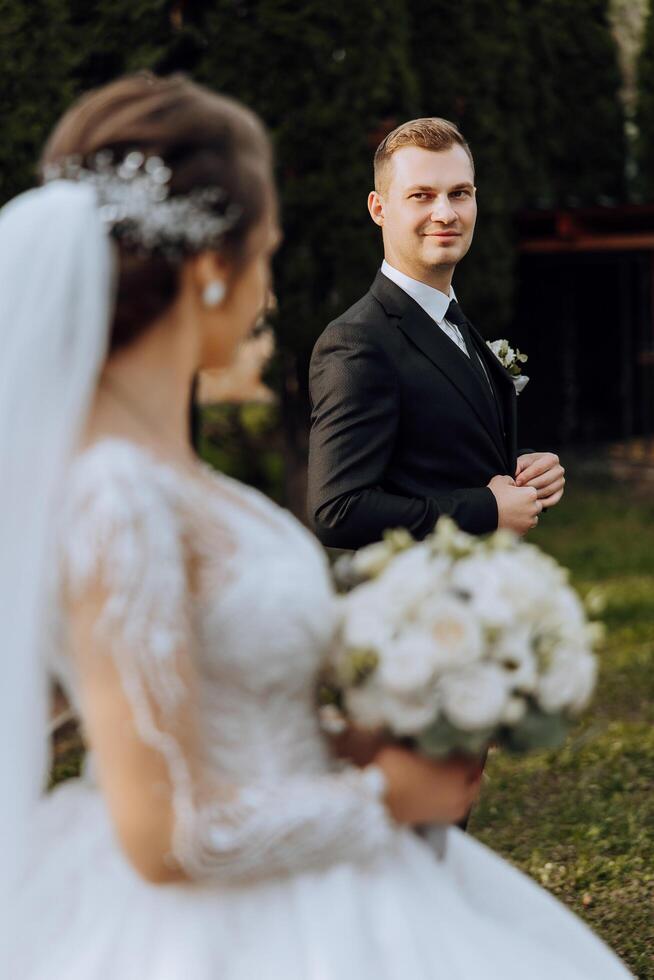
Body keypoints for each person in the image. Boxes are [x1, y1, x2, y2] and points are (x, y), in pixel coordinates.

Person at [0, 75, 630, 979]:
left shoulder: (178, 480)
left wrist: (362, 737)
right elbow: (163, 826)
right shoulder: (116, 497)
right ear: (214, 270)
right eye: (266, 250)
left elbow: (224, 696)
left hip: (326, 871)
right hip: (232, 932)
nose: (269, 280)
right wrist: (381, 794)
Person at [308, 118, 565, 550]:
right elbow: (337, 511)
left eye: (459, 194)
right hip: (421, 604)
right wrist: (486, 509)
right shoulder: (357, 342)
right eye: (421, 196)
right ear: (379, 208)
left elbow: (441, 461)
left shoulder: (452, 320)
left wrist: (524, 475)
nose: (445, 213)